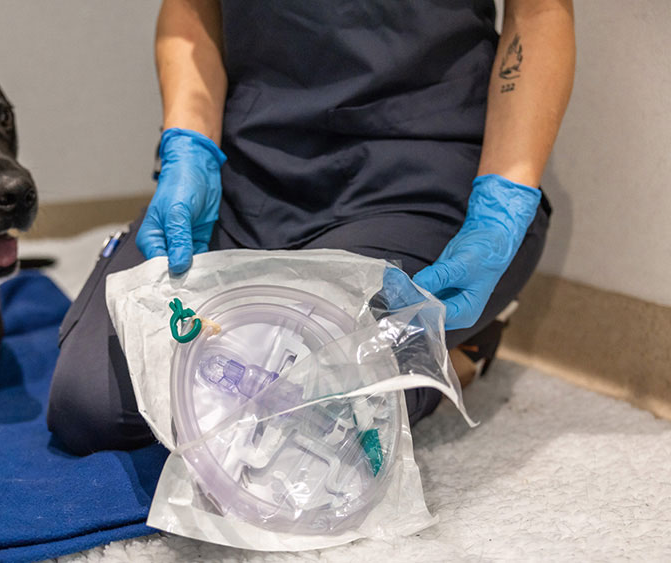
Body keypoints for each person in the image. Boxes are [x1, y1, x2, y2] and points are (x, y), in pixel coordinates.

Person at [48, 0, 575, 455]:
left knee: (309, 408)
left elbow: (540, 11)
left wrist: (503, 201)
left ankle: (458, 355)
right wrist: (190, 148)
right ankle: (425, 363)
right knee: (93, 403)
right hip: (249, 172)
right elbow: (192, 9)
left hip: (415, 178)